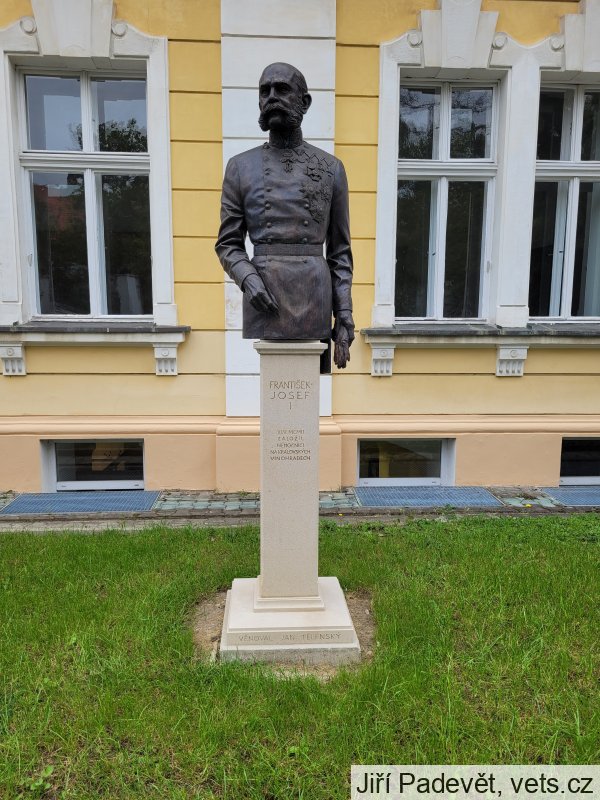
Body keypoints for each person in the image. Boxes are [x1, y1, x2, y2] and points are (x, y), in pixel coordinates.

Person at [215, 62, 355, 368]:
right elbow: (227, 244)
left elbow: (340, 252)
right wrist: (248, 279)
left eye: (282, 89)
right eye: (264, 91)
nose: (272, 98)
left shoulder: (331, 169)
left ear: (304, 102)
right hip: (264, 296)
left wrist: (344, 315)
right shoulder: (240, 167)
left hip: (314, 299)